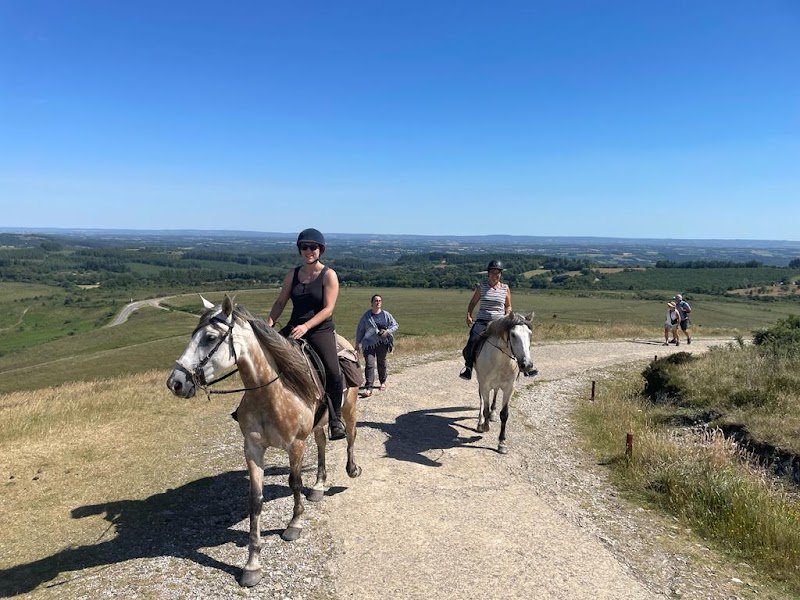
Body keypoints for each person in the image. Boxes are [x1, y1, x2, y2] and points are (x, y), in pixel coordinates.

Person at [266, 228, 346, 440]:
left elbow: (328, 309)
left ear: (321, 250)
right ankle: (254, 407)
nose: (309, 250)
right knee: (263, 359)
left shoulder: (329, 275)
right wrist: (269, 324)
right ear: (300, 250)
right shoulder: (292, 275)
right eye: (304, 247)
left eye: (313, 247)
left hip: (320, 329)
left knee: (333, 371)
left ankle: (336, 419)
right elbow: (281, 301)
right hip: (294, 327)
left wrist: (307, 327)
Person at [459, 260, 512, 380]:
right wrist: (469, 315)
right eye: (493, 272)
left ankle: (524, 367)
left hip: (499, 322)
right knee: (472, 340)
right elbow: (473, 303)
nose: (496, 275)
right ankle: (468, 368)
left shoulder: (505, 288)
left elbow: (508, 305)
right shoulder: (481, 287)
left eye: (498, 272)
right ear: (488, 273)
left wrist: (508, 313)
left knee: (516, 338)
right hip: (483, 320)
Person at [355, 294, 399, 397]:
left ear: (381, 302)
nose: (377, 302)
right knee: (369, 364)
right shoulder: (366, 316)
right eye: (375, 300)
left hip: (383, 343)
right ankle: (368, 387)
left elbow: (395, 325)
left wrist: (387, 331)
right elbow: (360, 330)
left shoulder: (386, 315)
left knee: (381, 363)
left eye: (379, 300)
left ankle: (382, 382)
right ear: (372, 303)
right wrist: (357, 343)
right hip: (368, 344)